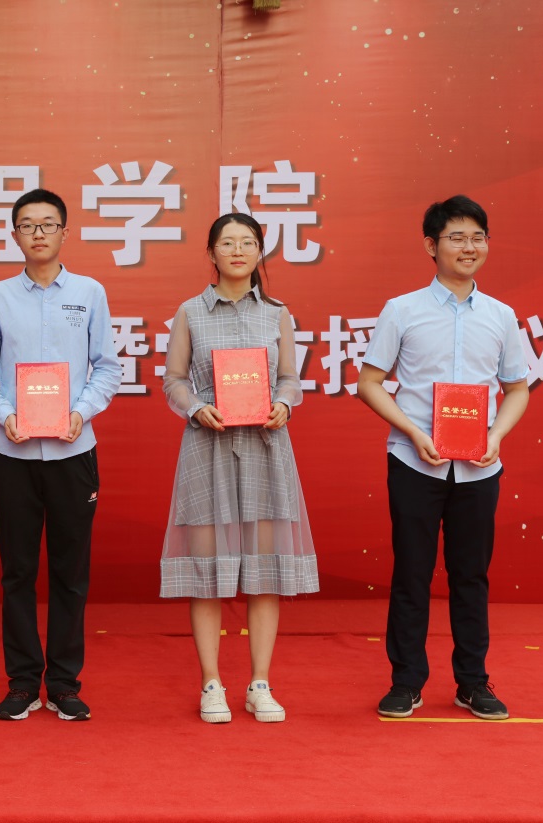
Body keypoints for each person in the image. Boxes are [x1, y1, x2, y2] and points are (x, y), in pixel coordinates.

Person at [357, 195, 529, 720]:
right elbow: (369, 382)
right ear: (431, 246)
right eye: (456, 237)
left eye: (478, 237)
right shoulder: (402, 310)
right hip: (415, 461)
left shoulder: (501, 316)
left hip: (479, 466)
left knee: (470, 575)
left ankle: (472, 682)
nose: (469, 247)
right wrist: (412, 431)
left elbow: (517, 389)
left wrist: (496, 435)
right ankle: (406, 682)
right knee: (412, 572)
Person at [0, 188, 121, 722]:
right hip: (12, 452)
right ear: (14, 235)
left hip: (74, 450)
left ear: (64, 233)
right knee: (17, 572)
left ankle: (64, 683)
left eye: (48, 224)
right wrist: (4, 413)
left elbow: (108, 367)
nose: (38, 232)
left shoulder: (90, 293)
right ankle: (22, 682)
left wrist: (81, 411)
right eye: (27, 224)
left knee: (70, 573)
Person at [159, 213, 319, 725]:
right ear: (211, 253)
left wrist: (285, 404)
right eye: (226, 243)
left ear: (259, 251)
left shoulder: (277, 313)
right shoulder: (190, 312)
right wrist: (195, 407)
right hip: (207, 448)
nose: (237, 250)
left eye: (247, 242)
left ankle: (259, 684)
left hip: (265, 448)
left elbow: (290, 377)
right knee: (207, 571)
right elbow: (173, 380)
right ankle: (211, 683)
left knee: (264, 570)